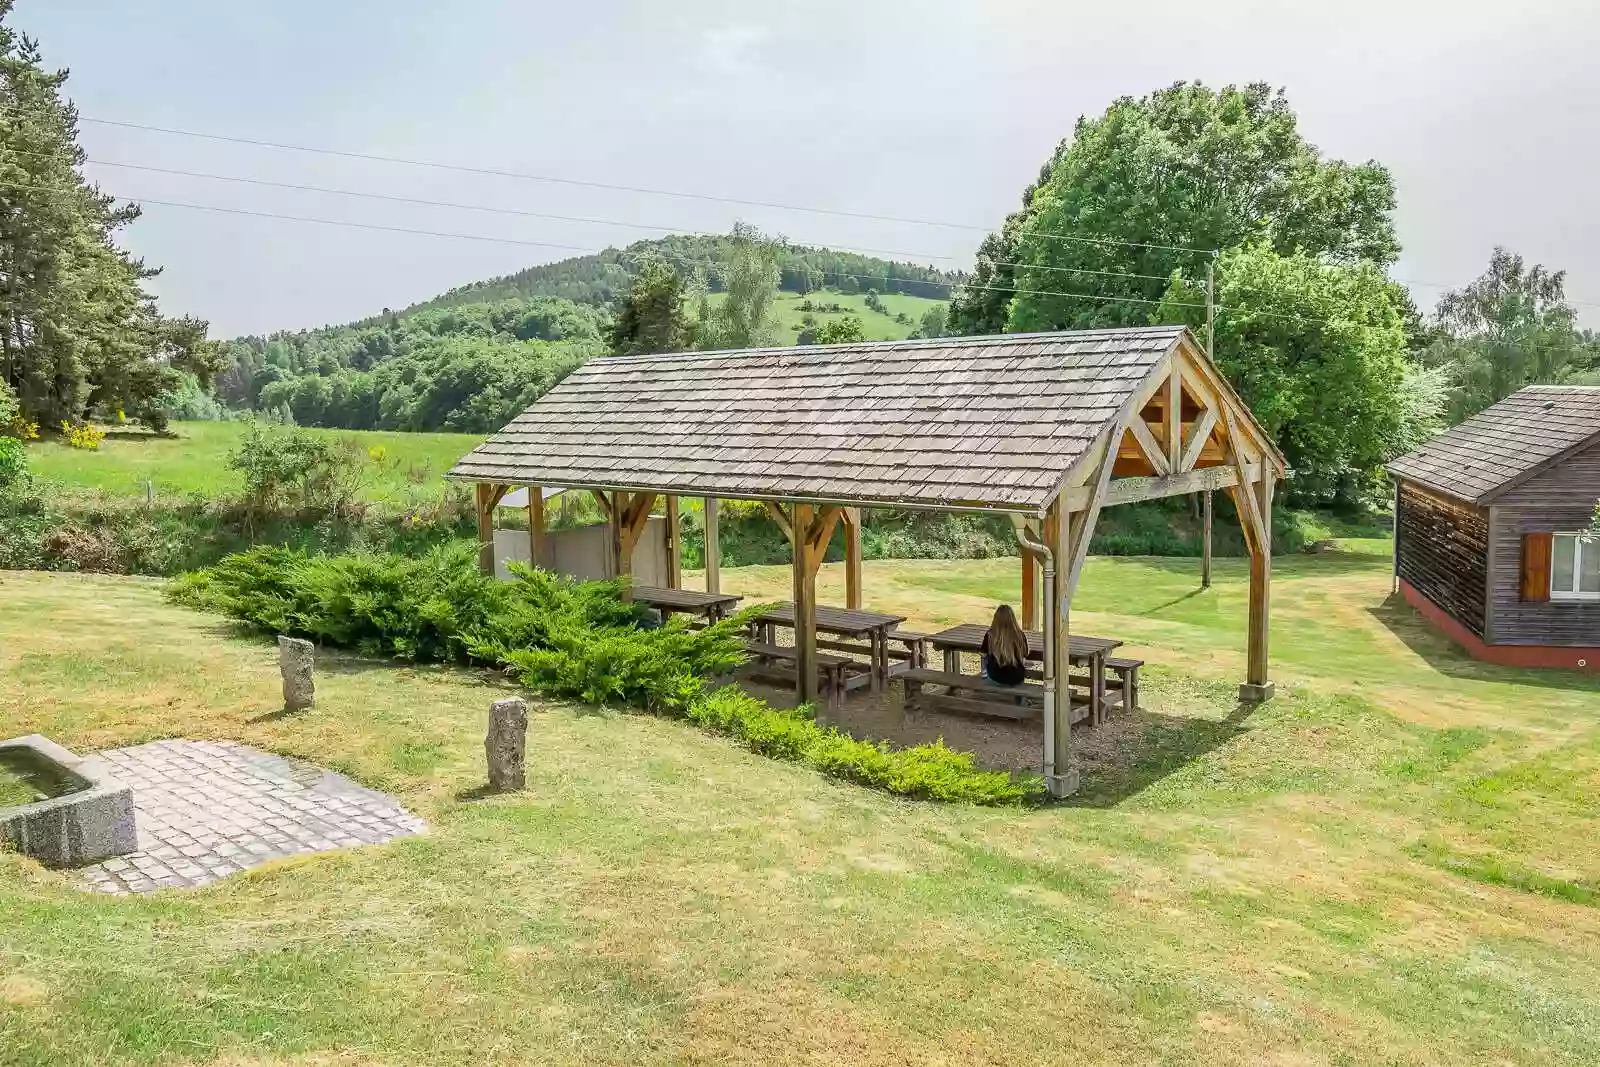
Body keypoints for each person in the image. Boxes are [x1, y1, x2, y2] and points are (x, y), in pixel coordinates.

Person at [980, 604, 1029, 686]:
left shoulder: (990, 635)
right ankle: (1019, 698)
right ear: (1013, 619)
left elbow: (983, 655)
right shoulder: (1020, 635)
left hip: (995, 677)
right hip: (1017, 678)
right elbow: (1024, 656)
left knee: (987, 662)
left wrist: (984, 673)